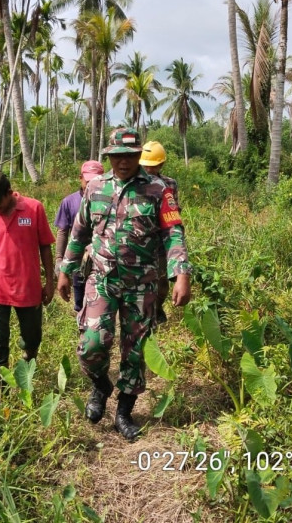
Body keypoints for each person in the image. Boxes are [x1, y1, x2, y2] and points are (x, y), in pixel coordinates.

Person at [57, 128, 192, 441]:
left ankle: (123, 411)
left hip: (141, 283)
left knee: (135, 351)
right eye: (117, 156)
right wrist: (66, 269)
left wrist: (180, 272)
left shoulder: (159, 190)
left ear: (138, 156)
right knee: (91, 344)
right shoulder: (95, 188)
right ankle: (101, 385)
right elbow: (79, 232)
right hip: (101, 279)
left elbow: (173, 233)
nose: (123, 161)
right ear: (109, 157)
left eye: (130, 155)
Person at [0, 170, 56, 383]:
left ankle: (26, 372)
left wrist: (50, 282)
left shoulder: (34, 208)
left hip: (28, 287)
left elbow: (45, 247)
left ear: (9, 193)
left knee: (32, 337)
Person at [54, 160, 105, 314]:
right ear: (80, 178)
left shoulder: (111, 200)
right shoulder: (69, 202)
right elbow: (63, 231)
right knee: (80, 302)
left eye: (96, 180)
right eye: (88, 180)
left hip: (103, 261)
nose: (91, 184)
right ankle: (83, 331)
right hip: (79, 259)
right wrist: (59, 259)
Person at [139, 141, 179, 326]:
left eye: (153, 166)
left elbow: (173, 212)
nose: (149, 170)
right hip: (140, 243)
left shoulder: (169, 184)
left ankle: (157, 308)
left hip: (161, 243)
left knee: (162, 284)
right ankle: (144, 317)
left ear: (161, 165)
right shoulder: (135, 184)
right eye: (146, 166)